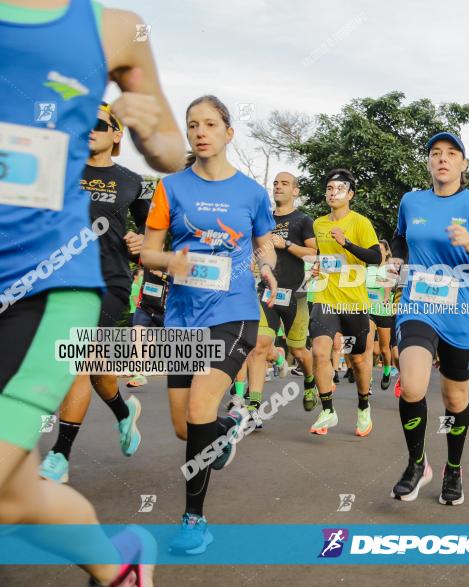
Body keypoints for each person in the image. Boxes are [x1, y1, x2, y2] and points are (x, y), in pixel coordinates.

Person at [0, 0, 184, 583]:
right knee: (11, 496)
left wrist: (147, 124)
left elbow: (171, 154)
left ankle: (89, 437)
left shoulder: (113, 27)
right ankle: (118, 564)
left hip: (47, 284)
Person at [141, 95, 276, 554]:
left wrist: (269, 265)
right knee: (186, 429)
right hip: (181, 317)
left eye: (211, 124)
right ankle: (227, 429)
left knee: (200, 409)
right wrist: (171, 260)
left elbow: (265, 245)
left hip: (233, 312)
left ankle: (193, 521)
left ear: (228, 133)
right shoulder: (170, 188)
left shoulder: (252, 194)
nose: (201, 132)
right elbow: (148, 252)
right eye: (193, 124)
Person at [389, 132, 469, 505]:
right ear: (428, 162)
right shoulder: (411, 201)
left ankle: (453, 470)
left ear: (463, 164)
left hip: (460, 310)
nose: (443, 159)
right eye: (436, 154)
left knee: (454, 398)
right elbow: (399, 239)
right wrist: (395, 258)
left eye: (451, 154)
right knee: (411, 387)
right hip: (418, 305)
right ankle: (417, 463)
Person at [40, 102, 149, 483]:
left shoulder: (132, 180)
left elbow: (155, 230)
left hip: (109, 280)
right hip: (57, 279)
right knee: (97, 366)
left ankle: (59, 454)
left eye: (100, 124)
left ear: (117, 135)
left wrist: (141, 241)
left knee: (79, 359)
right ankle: (123, 411)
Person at [308, 169, 380, 436]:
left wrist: (347, 243)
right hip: (325, 297)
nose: (332, 192)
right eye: (329, 188)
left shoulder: (360, 223)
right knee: (319, 351)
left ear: (350, 194)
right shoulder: (318, 224)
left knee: (359, 359)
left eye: (339, 188)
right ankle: (327, 410)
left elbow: (375, 258)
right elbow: (321, 255)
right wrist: (316, 267)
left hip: (353, 302)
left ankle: (363, 407)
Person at [261, 171, 318, 410]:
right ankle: (252, 405)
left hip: (296, 294)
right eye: (275, 183)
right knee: (259, 344)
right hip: (265, 291)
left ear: (295, 191)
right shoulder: (263, 219)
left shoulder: (303, 220)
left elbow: (314, 253)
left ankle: (309, 380)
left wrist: (286, 244)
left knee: (299, 349)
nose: (278, 187)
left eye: (284, 183)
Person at [366, 240, 396, 390]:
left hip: (383, 312)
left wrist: (385, 296)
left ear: (387, 252)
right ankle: (368, 379)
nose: (378, 253)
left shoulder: (390, 268)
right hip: (369, 311)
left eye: (380, 250)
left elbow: (388, 285)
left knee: (384, 349)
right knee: (369, 347)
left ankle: (386, 372)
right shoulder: (368, 268)